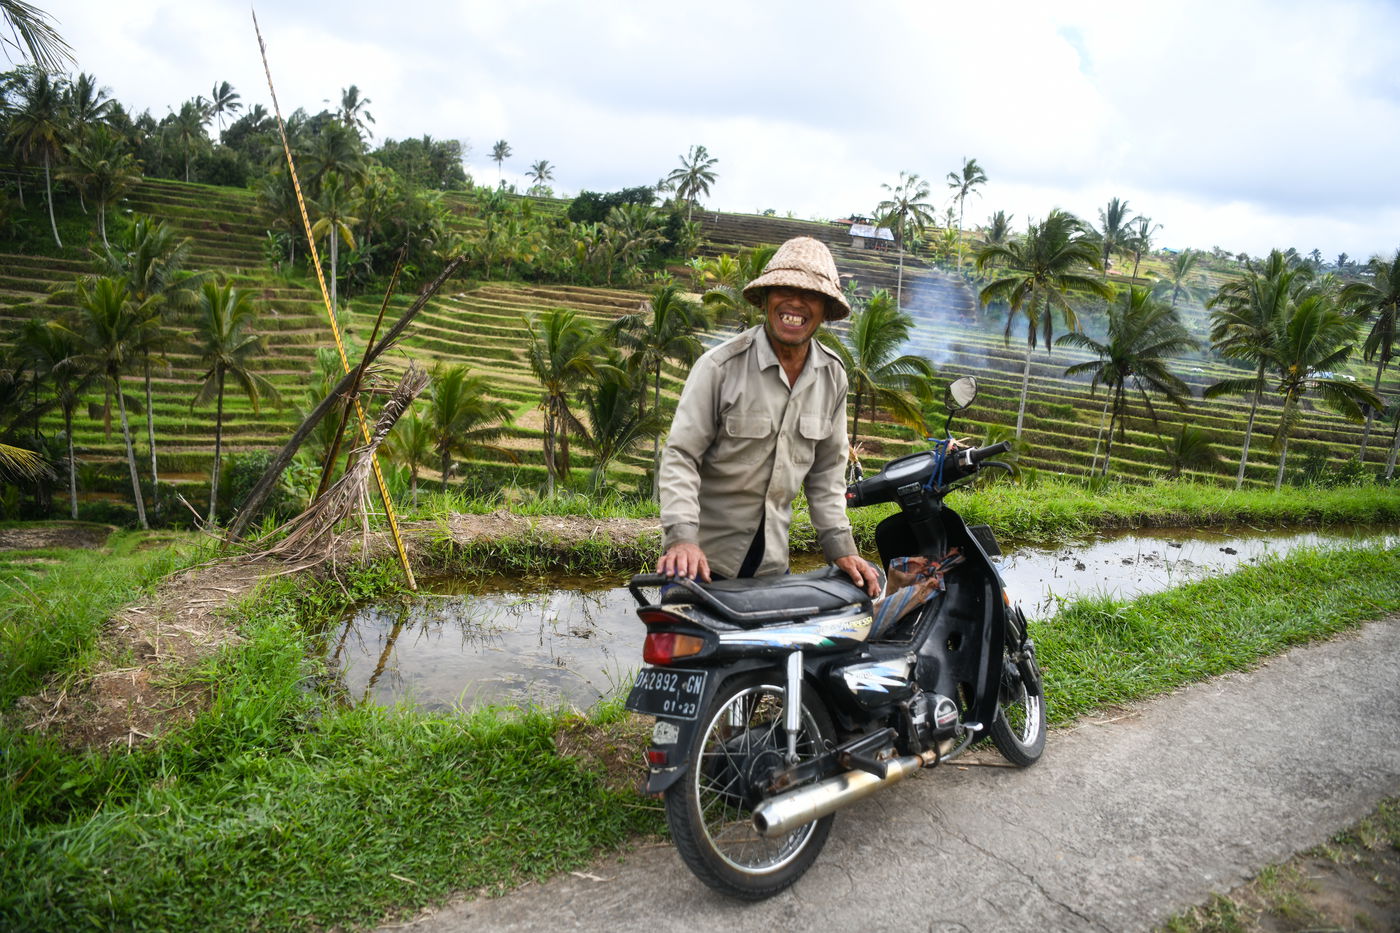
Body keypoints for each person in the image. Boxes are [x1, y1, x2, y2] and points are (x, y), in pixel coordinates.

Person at [655, 236, 880, 597]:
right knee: (688, 651)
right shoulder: (720, 367)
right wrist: (681, 538)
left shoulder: (832, 376)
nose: (795, 302)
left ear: (824, 309)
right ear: (765, 299)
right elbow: (681, 456)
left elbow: (826, 475)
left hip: (772, 568)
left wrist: (842, 548)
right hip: (700, 563)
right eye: (784, 290)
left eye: (810, 294)